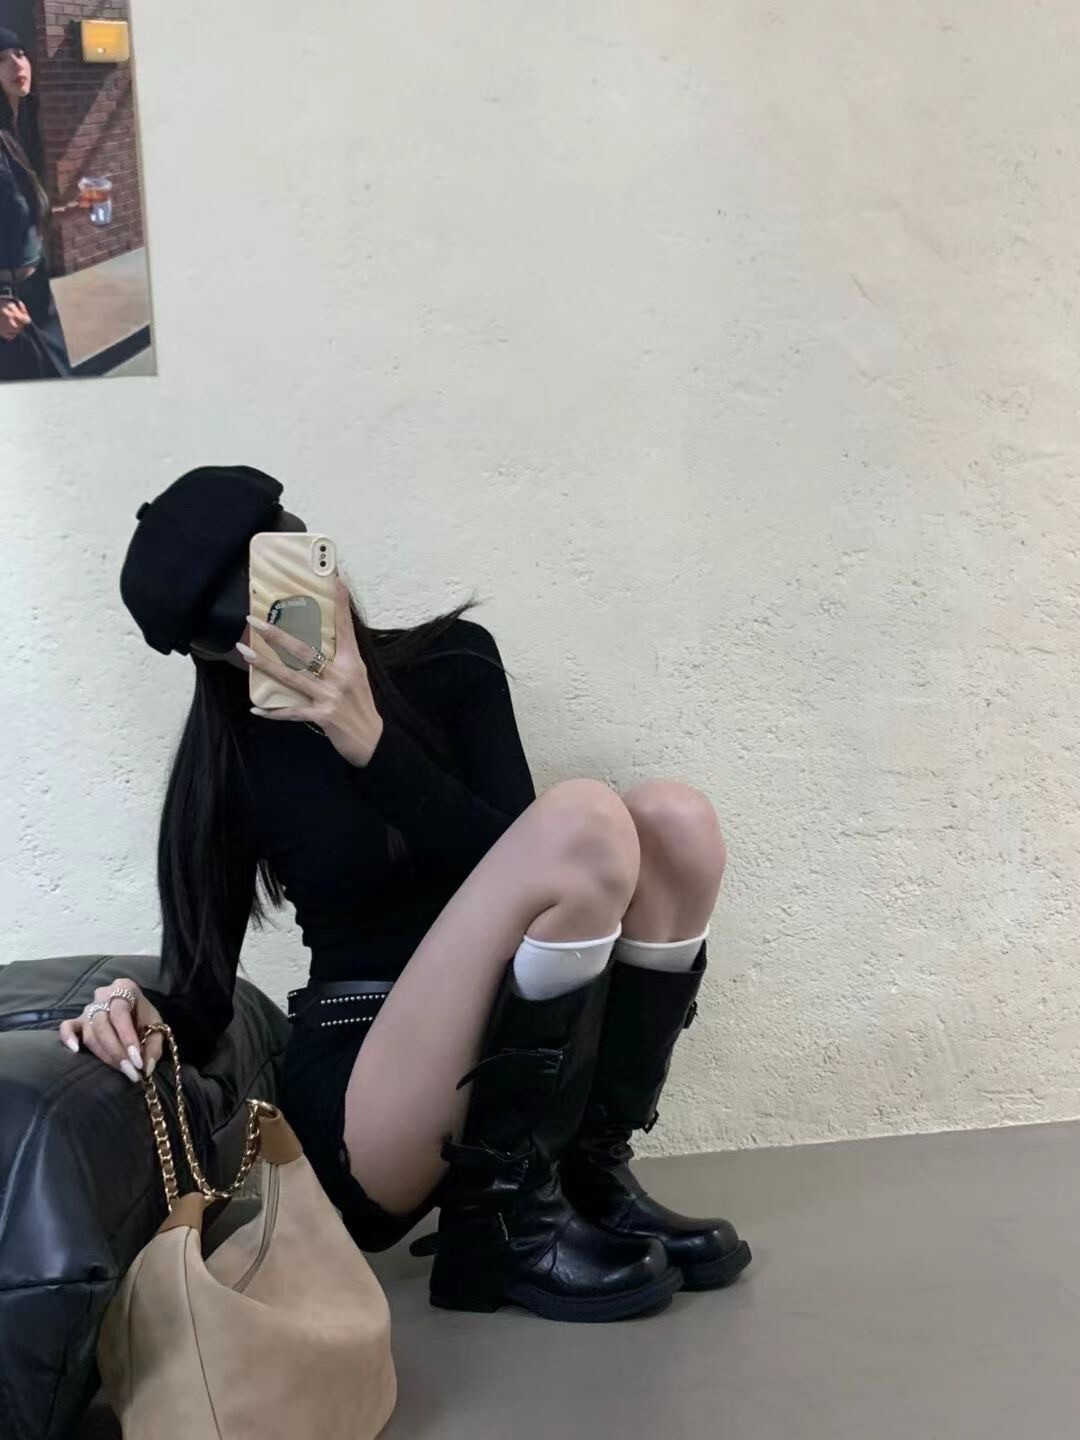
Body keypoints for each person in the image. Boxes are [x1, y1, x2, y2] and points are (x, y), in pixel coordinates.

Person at [61, 467, 751, 1322]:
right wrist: (132, 1006)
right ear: (217, 653)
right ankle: (499, 1228)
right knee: (584, 818)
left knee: (674, 821)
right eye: (238, 624)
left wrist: (372, 742)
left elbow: (523, 870)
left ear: (311, 554)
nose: (274, 619)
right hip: (367, 1085)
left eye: (282, 575)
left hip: (505, 1033)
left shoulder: (456, 664)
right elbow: (202, 999)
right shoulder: (227, 760)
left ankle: (589, 1173)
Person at [0, 27, 72, 381]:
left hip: (37, 292)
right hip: (7, 307)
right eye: (1, 59)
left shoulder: (20, 131)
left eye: (19, 53)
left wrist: (63, 213)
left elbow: (14, 217)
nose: (16, 64)